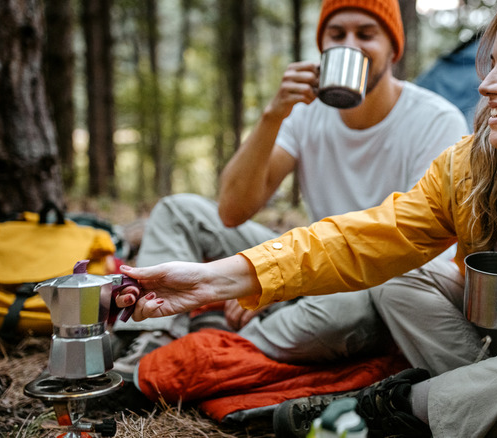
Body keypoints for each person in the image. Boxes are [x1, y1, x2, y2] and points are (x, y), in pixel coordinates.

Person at [115, 0, 497, 436]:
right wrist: (220, 278)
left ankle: (382, 417)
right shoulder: (475, 170)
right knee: (399, 273)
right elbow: (366, 237)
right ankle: (483, 408)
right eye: (491, 64)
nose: (487, 84)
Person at [110, 0, 470, 380]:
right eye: (336, 35)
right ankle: (150, 339)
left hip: (370, 282)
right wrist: (273, 115)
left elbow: (424, 253)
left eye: (366, 35)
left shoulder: (435, 120)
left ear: (393, 50)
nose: (350, 45)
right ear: (322, 47)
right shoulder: (306, 111)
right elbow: (231, 212)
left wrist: (270, 286)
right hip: (305, 259)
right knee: (179, 211)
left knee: (346, 313)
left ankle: (216, 343)